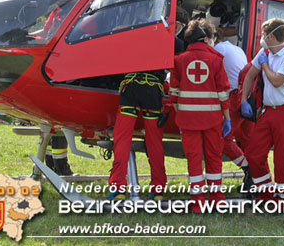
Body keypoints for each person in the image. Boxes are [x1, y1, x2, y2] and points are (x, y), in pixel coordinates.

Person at [170, 19, 231, 213]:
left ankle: (198, 202)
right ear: (206, 38)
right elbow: (223, 93)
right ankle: (217, 199)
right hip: (212, 120)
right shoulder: (216, 59)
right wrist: (227, 118)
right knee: (214, 157)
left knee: (194, 159)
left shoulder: (179, 60)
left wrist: (182, 114)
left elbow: (173, 93)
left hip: (188, 121)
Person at [241, 18, 284, 202]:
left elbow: (276, 81)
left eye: (263, 35)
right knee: (254, 154)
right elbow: (250, 75)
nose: (261, 38)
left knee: (283, 159)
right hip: (268, 111)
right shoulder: (264, 52)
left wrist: (265, 64)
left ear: (272, 37)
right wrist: (244, 99)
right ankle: (267, 196)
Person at [107, 68, 167, 200]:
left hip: (131, 87)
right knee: (154, 142)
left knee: (122, 139)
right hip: (153, 89)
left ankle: (118, 188)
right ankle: (158, 190)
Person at [213, 31, 252, 191]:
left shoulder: (218, 49)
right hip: (246, 97)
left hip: (234, 98)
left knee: (222, 140)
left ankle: (249, 170)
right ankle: (254, 181)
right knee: (248, 141)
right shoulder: (236, 49)